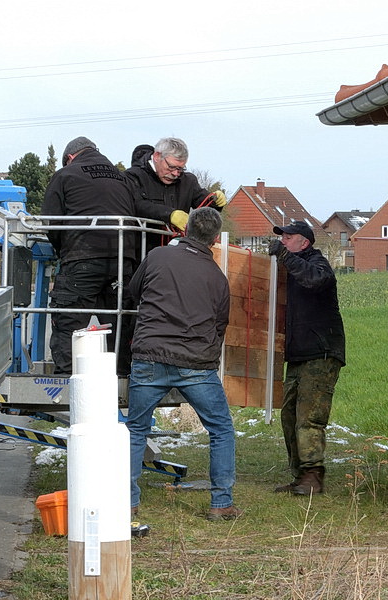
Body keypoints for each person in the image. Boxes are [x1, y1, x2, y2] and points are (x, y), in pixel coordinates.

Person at [126, 207, 241, 521]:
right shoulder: (217, 278)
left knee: (136, 429)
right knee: (220, 430)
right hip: (195, 363)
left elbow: (133, 293)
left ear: (185, 229)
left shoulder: (158, 256)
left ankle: (127, 504)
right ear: (215, 239)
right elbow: (220, 325)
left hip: (149, 356)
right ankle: (221, 504)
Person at [41, 136, 138, 375]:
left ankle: (66, 382)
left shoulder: (65, 175)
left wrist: (61, 252)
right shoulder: (122, 178)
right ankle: (121, 377)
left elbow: (51, 222)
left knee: (70, 321)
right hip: (123, 260)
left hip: (82, 258)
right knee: (121, 322)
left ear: (70, 157)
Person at [268, 221, 346, 495]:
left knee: (309, 417)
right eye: (282, 238)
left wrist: (285, 257)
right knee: (289, 416)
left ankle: (313, 475)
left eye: (289, 238)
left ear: (305, 243)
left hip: (321, 352)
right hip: (299, 355)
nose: (283, 241)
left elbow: (314, 280)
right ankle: (300, 474)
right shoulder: (291, 267)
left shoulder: (317, 264)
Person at [123, 137, 227, 252]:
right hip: (140, 256)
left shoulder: (188, 181)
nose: (175, 173)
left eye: (180, 169)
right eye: (171, 167)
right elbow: (135, 205)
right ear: (157, 156)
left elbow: (204, 208)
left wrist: (215, 202)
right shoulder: (133, 177)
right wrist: (168, 214)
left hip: (176, 257)